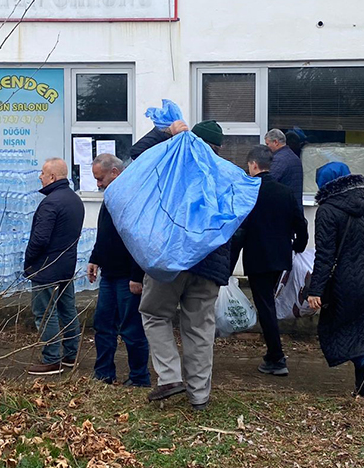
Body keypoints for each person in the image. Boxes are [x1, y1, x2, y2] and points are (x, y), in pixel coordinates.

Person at [131, 118, 230, 411]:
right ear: (219, 148)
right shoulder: (225, 175)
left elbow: (138, 156)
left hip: (171, 259)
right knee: (200, 328)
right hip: (210, 264)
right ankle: (199, 397)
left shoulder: (175, 170)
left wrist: (165, 132)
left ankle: (170, 377)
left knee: (153, 313)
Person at [306, 162, 364, 397]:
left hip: (344, 285)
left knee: (335, 330)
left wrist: (315, 290)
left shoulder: (326, 211)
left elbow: (324, 256)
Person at [231, 145, 308, 376]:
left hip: (257, 259)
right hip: (281, 258)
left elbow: (240, 232)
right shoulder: (285, 192)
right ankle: (273, 355)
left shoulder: (249, 192)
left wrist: (229, 265)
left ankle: (276, 357)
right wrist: (298, 246)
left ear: (253, 165)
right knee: (268, 304)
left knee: (265, 306)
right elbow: (300, 223)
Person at [86, 153, 150, 387]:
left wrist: (137, 275)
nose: (98, 184)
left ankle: (139, 377)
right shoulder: (110, 197)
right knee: (103, 325)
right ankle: (103, 373)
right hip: (109, 274)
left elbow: (139, 238)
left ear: (114, 172)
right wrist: (95, 258)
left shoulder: (133, 196)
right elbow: (105, 232)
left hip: (128, 277)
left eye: (100, 178)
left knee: (132, 329)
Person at [24, 158, 85, 376]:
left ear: (52, 177)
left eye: (42, 173)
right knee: (66, 309)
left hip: (46, 268)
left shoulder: (50, 203)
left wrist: (29, 260)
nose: (39, 177)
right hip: (66, 267)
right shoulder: (74, 200)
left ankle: (52, 358)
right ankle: (71, 354)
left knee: (44, 312)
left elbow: (39, 239)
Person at [265, 128, 304, 211]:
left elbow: (268, 181)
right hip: (294, 207)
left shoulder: (279, 159)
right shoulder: (293, 156)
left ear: (275, 142)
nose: (267, 148)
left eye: (267, 144)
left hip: (284, 209)